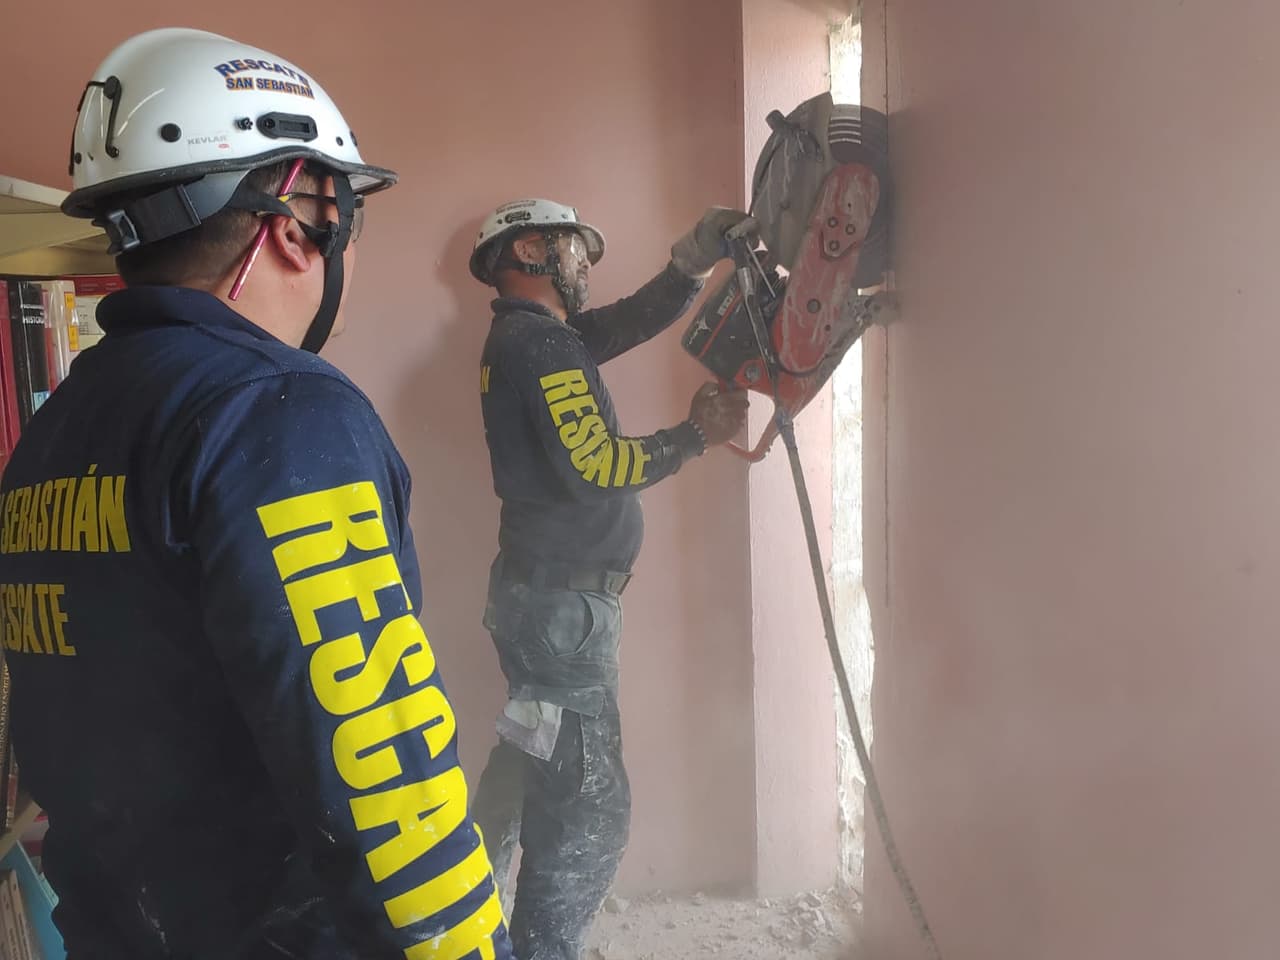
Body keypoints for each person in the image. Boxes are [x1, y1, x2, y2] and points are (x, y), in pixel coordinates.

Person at [0, 28, 511, 959]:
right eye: (348, 212)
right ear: (296, 222)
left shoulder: (59, 425)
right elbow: (385, 780)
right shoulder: (278, 414)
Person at [467, 198, 751, 959]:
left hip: (535, 598)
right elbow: (595, 466)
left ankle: (463, 921)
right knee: (590, 806)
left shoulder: (531, 339)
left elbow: (627, 322)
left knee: (529, 764)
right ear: (529, 247)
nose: (584, 264)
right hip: (562, 614)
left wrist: (691, 260)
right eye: (572, 247)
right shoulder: (541, 347)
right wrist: (694, 437)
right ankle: (539, 949)